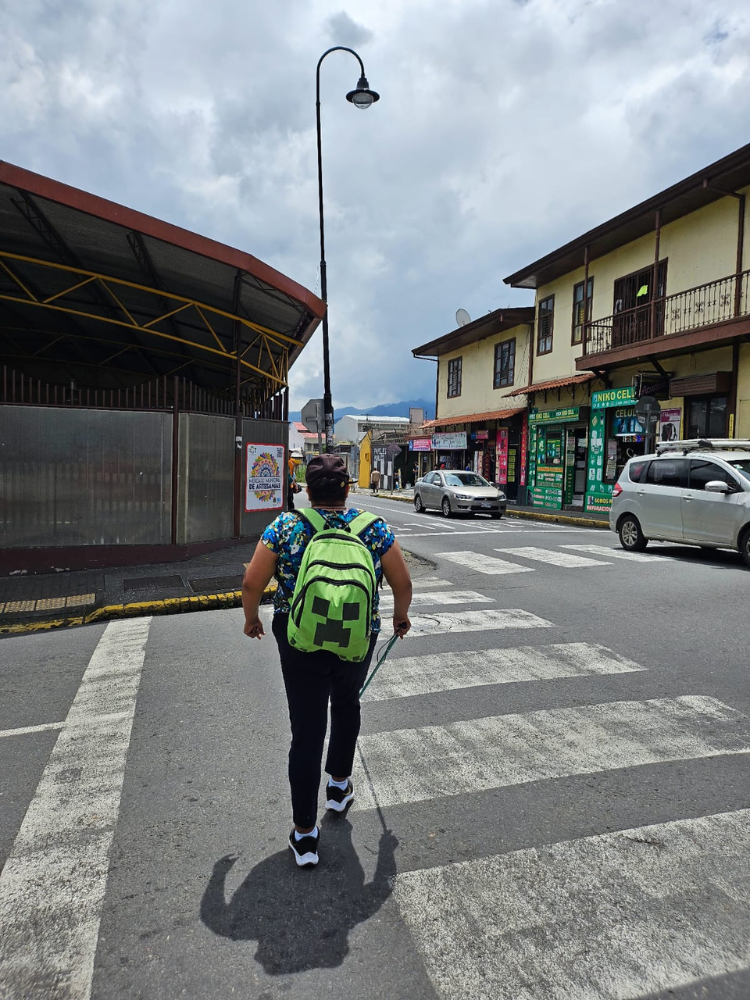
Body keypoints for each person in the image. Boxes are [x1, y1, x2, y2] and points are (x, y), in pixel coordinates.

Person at [241, 454, 412, 869]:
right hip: (357, 633)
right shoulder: (373, 528)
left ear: (306, 489)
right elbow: (402, 583)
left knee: (307, 727)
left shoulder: (286, 525)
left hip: (298, 637)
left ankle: (304, 835)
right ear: (348, 488)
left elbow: (251, 582)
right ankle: (338, 787)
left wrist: (251, 619)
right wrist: (399, 617)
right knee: (347, 703)